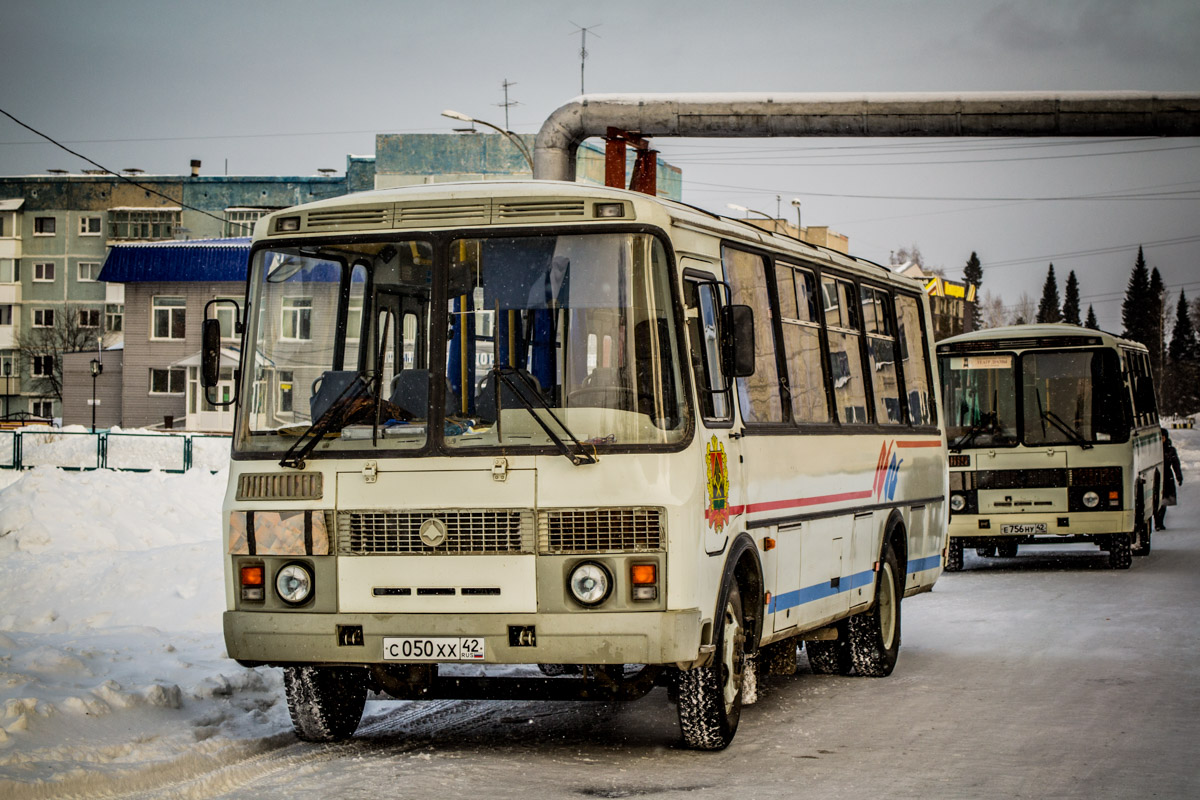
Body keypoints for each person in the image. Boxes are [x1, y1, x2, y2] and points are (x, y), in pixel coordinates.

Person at [1155, 428, 1184, 531]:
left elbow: (1176, 464)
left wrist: (1179, 476)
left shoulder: (1170, 450)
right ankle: (1157, 521)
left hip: (1167, 476)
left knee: (1164, 501)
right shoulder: (1153, 449)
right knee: (1156, 500)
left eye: (1163, 437)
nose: (1161, 439)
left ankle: (1159, 522)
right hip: (1156, 476)